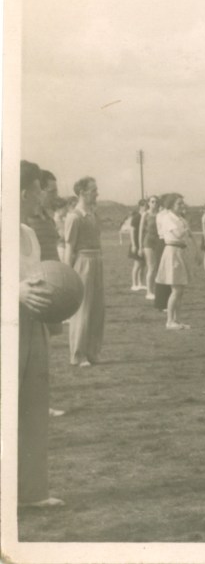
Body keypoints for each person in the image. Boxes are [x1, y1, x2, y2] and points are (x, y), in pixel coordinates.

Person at [18, 160, 64, 508]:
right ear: (23, 191)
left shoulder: (29, 233)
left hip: (33, 328)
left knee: (34, 408)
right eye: (37, 189)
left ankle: (32, 492)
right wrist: (16, 293)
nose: (41, 197)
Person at [26, 169, 66, 417]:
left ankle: (41, 399)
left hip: (53, 285)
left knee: (46, 347)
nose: (54, 195)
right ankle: (36, 402)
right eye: (50, 191)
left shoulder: (48, 216)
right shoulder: (27, 221)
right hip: (36, 287)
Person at [64, 176, 105, 366]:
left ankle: (92, 351)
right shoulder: (74, 217)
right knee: (83, 308)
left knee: (97, 308)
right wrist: (67, 273)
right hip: (83, 262)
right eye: (93, 190)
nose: (97, 193)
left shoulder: (94, 214)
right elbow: (69, 247)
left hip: (97, 261)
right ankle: (78, 354)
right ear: (82, 192)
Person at [155, 193, 196, 329]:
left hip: (180, 251)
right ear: (171, 205)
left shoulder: (179, 219)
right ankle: (169, 321)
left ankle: (177, 320)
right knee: (176, 290)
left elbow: (187, 235)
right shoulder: (168, 218)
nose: (182, 206)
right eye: (179, 203)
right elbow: (178, 234)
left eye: (182, 203)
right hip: (172, 251)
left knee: (180, 289)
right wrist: (186, 228)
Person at [127, 200, 147, 291]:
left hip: (143, 244)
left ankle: (140, 283)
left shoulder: (146, 217)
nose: (147, 208)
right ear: (141, 206)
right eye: (145, 206)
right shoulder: (136, 217)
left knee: (143, 264)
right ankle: (134, 284)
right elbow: (132, 231)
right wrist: (134, 245)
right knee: (137, 264)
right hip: (136, 244)